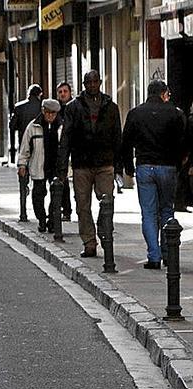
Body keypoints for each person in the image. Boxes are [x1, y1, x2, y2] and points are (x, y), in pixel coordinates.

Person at [120, 80, 187, 269]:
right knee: (167, 210)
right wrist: (179, 164)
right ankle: (168, 252)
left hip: (145, 166)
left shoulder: (135, 113)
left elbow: (126, 143)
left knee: (148, 213)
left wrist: (128, 167)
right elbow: (182, 141)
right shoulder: (175, 113)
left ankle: (154, 256)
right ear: (163, 93)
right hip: (167, 167)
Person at [57, 70, 122, 258]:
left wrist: (119, 166)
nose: (92, 85)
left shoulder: (111, 107)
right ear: (84, 84)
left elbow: (117, 137)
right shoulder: (73, 107)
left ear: (100, 82)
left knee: (106, 202)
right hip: (81, 164)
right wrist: (62, 168)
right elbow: (66, 138)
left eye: (95, 82)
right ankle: (89, 242)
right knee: (82, 205)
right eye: (89, 82)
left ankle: (104, 231)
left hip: (104, 163)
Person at [18, 99, 64, 233]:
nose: (50, 116)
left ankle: (52, 221)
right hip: (38, 166)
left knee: (56, 195)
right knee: (38, 196)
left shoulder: (62, 126)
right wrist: (22, 164)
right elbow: (25, 147)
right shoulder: (33, 126)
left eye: (53, 113)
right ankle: (42, 219)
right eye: (48, 113)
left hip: (55, 166)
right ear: (43, 111)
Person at [10, 84, 43, 161]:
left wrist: (21, 126)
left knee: (24, 162)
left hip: (23, 140)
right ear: (39, 94)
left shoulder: (19, 107)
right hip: (40, 140)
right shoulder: (43, 107)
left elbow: (12, 126)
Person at [55, 81, 74, 221]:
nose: (63, 94)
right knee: (63, 180)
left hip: (74, 149)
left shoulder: (74, 107)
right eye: (60, 92)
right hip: (60, 150)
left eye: (65, 91)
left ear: (70, 92)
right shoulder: (55, 110)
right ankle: (66, 210)